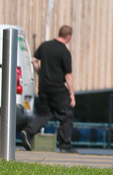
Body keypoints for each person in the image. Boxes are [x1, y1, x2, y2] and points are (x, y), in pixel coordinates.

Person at [21, 25, 77, 153]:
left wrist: (40, 73)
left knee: (44, 114)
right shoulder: (64, 52)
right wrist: (72, 95)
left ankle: (27, 132)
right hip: (58, 88)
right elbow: (68, 76)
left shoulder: (45, 46)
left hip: (44, 87)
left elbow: (34, 60)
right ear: (68, 37)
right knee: (66, 115)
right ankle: (65, 145)